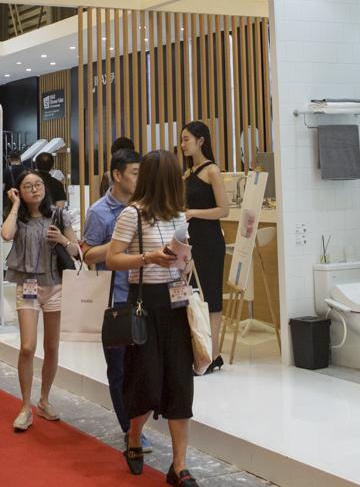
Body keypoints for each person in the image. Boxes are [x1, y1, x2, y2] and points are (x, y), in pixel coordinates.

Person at [107, 150, 197, 484]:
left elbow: (185, 260)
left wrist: (184, 261)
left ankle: (179, 465)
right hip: (144, 305)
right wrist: (148, 258)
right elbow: (113, 259)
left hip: (176, 306)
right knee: (145, 381)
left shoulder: (179, 215)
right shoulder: (132, 214)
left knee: (180, 384)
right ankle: (133, 437)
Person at [2, 166, 79, 431]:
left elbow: (77, 250)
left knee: (52, 347)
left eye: (38, 185)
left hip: (55, 286)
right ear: (19, 192)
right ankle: (25, 406)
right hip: (27, 286)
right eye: (28, 186)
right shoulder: (18, 217)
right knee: (27, 347)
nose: (34, 189)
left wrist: (63, 240)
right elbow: (6, 234)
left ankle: (44, 400)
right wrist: (14, 205)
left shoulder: (59, 215)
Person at [81, 143, 143, 447]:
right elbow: (87, 255)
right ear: (117, 175)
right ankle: (129, 429)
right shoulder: (99, 212)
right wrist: (118, 242)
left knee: (140, 366)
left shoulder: (143, 207)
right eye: (134, 173)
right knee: (118, 368)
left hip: (141, 296)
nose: (139, 179)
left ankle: (138, 421)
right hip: (113, 301)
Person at [180, 121, 227, 373]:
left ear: (201, 141)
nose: (183, 144)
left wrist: (193, 212)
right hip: (191, 239)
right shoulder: (187, 173)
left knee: (211, 295)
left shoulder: (212, 171)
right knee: (194, 295)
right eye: (182, 140)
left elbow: (223, 210)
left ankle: (214, 353)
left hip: (209, 240)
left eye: (186, 139)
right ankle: (200, 351)